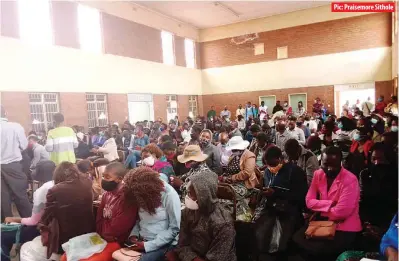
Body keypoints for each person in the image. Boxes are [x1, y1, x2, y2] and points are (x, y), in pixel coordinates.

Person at [292, 146, 362, 261]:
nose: (329, 169)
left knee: (319, 250)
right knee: (297, 239)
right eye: (326, 164)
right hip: (323, 222)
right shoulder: (318, 174)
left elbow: (342, 212)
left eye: (334, 165)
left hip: (344, 227)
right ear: (320, 162)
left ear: (341, 163)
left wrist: (320, 208)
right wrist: (331, 204)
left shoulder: (350, 179)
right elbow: (309, 202)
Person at [20, 162, 95, 260]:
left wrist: (40, 226)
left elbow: (46, 217)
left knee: (25, 247)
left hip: (63, 239)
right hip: (85, 234)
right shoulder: (88, 183)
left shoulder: (54, 190)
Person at [254, 146, 308, 261]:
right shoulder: (268, 172)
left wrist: (276, 193)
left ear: (280, 159)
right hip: (273, 211)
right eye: (269, 165)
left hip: (289, 213)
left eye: (273, 165)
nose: (271, 168)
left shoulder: (295, 172)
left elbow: (301, 196)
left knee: (284, 245)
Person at [170, 171, 236, 261]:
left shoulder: (223, 223)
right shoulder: (187, 213)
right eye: (188, 193)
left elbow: (217, 257)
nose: (187, 198)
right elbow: (182, 244)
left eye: (191, 195)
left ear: (204, 196)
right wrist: (191, 257)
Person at [123, 167, 181, 260]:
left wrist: (148, 245)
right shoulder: (138, 193)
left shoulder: (169, 195)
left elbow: (174, 229)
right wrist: (133, 235)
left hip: (161, 244)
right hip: (141, 240)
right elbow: (140, 220)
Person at [2, 163, 55, 261]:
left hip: (49, 232)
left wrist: (14, 219)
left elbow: (33, 222)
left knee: (2, 236)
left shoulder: (43, 190)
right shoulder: (83, 187)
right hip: (68, 231)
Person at [1, 106, 32, 221]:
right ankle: (30, 225)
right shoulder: (15, 127)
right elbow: (24, 146)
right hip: (13, 165)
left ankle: (6, 228)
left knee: (2, 199)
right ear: (5, 113)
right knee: (20, 195)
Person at [96, 162, 138, 244]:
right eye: (103, 176)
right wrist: (99, 234)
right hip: (102, 237)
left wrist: (104, 235)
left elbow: (119, 227)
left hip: (117, 242)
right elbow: (99, 217)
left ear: (119, 179)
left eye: (107, 177)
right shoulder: (106, 194)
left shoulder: (127, 198)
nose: (103, 179)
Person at [359, 143, 398, 229]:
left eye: (381, 159)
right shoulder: (365, 174)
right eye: (374, 159)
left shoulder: (396, 175)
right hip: (368, 219)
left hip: (391, 221)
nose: (376, 163)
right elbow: (362, 197)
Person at [223, 136, 259, 221]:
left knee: (231, 192)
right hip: (231, 182)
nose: (233, 151)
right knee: (220, 191)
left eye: (234, 150)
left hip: (245, 184)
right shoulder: (233, 156)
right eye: (232, 150)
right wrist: (224, 177)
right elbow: (228, 169)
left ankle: (244, 218)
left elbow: (247, 173)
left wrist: (232, 178)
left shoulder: (249, 156)